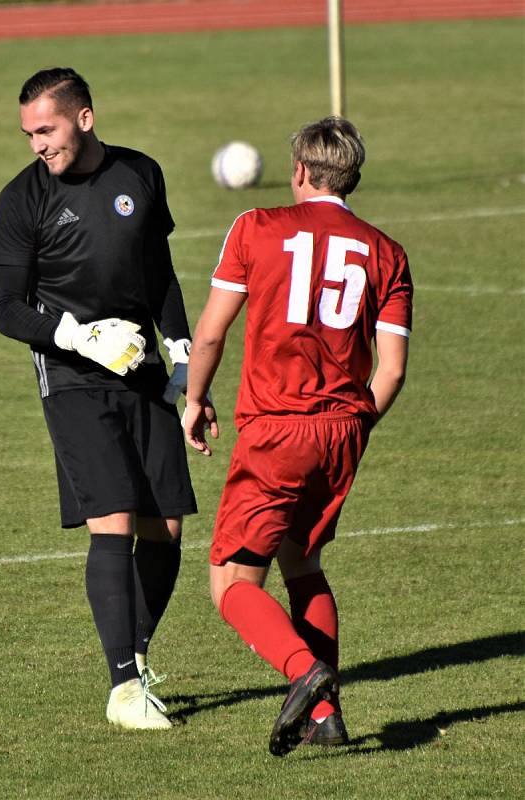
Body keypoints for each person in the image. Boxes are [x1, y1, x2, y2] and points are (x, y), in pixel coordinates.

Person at [184, 116, 413, 756]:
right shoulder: (387, 252)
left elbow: (210, 334)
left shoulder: (256, 228)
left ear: (301, 172)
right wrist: (352, 427)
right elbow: (391, 370)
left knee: (232, 585)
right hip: (344, 429)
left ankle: (302, 673)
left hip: (275, 430)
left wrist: (195, 398)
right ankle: (326, 718)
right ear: (352, 178)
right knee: (302, 562)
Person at [0, 67, 208, 731]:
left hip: (142, 367)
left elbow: (158, 272)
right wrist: (78, 335)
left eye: (47, 129)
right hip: (74, 375)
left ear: (84, 118)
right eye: (28, 132)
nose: (36, 144)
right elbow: (7, 309)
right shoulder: (21, 199)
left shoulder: (141, 174)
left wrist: (181, 354)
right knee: (112, 516)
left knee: (165, 525)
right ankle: (121, 689)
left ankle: (135, 659)